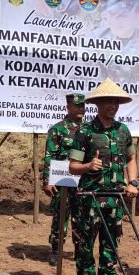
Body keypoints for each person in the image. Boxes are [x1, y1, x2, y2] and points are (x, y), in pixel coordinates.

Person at [69, 78, 138, 275]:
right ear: (97, 104)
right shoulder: (85, 132)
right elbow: (72, 167)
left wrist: (133, 182)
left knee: (111, 243)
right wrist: (88, 166)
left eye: (115, 101)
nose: (112, 105)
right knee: (85, 243)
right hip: (89, 199)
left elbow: (131, 158)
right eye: (108, 101)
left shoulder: (123, 131)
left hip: (115, 199)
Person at [42, 93, 86, 266]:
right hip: (62, 182)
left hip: (83, 182)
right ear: (68, 107)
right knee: (60, 217)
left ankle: (79, 250)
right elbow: (49, 155)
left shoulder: (89, 129)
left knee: (81, 218)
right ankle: (56, 250)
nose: (81, 109)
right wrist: (47, 181)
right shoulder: (58, 129)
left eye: (83, 106)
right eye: (77, 106)